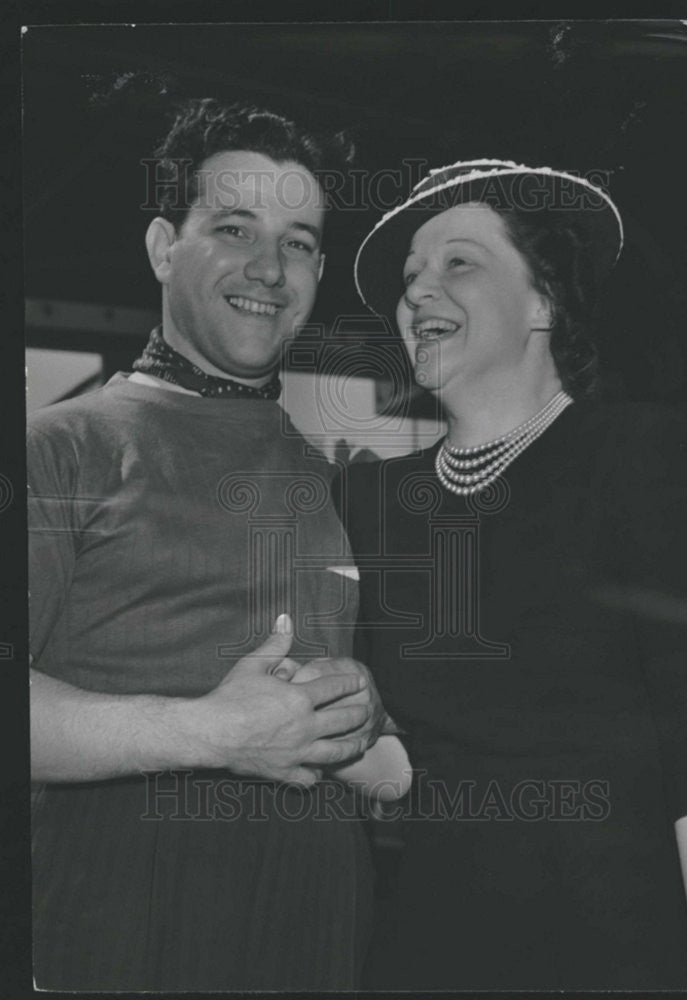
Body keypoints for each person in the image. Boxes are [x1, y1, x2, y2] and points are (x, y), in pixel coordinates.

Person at [28, 98, 407, 991]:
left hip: (316, 940)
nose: (269, 267)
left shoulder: (325, 477)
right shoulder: (60, 447)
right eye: (234, 227)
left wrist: (355, 724)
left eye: (300, 241)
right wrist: (213, 732)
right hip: (119, 934)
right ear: (165, 246)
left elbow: (377, 765)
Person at [343, 159, 687, 989]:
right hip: (427, 946)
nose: (418, 293)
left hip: (613, 944)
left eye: (457, 263)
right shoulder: (370, 500)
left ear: (543, 301)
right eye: (411, 277)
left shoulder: (634, 453)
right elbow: (398, 764)